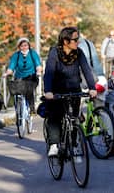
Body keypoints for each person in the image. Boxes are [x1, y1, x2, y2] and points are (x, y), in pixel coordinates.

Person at [43, 27, 97, 157]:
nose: (77, 42)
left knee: (74, 119)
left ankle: (73, 144)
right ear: (65, 41)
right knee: (55, 116)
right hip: (57, 91)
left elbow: (86, 70)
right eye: (75, 39)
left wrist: (92, 87)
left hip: (74, 90)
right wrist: (48, 91)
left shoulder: (79, 53)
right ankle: (54, 144)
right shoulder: (54, 52)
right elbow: (49, 73)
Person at [3, 37, 42, 114]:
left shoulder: (32, 53)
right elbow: (11, 67)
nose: (24, 47)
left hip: (32, 77)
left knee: (29, 90)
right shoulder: (16, 55)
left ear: (29, 46)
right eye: (22, 46)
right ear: (19, 47)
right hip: (20, 77)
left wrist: (38, 71)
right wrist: (7, 73)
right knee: (16, 91)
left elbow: (38, 64)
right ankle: (18, 109)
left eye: (26, 45)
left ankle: (32, 109)